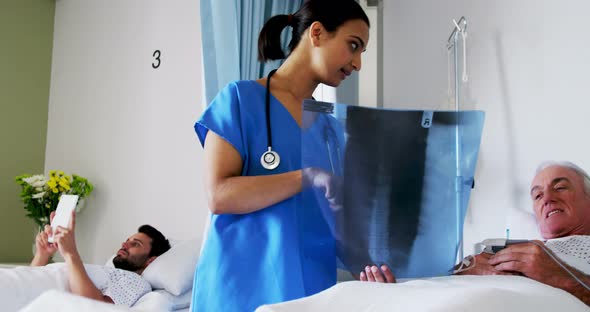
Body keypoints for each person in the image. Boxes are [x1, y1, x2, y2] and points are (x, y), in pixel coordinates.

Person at [190, 0, 370, 311]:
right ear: (317, 33)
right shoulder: (239, 100)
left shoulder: (331, 130)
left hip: (310, 293)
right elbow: (219, 195)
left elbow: (340, 228)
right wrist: (308, 177)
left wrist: (451, 267)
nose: (357, 64)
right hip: (240, 290)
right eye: (353, 46)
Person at [360, 161, 590, 306]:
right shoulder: (519, 248)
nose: (547, 198)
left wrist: (558, 275)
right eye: (538, 196)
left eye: (560, 187)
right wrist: (400, 286)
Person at [29, 211, 171, 307]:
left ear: (150, 260)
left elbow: (96, 307)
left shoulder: (137, 282)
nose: (124, 244)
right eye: (127, 240)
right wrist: (42, 255)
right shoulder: (104, 272)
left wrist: (71, 253)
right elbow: (30, 280)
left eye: (135, 244)